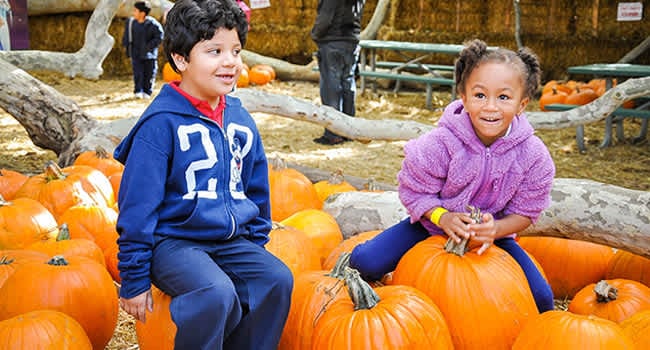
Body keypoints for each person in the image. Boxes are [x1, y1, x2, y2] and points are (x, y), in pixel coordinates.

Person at [113, 0, 293, 349]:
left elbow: (255, 188)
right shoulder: (160, 124)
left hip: (229, 241)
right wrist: (133, 278)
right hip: (172, 242)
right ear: (181, 60)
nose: (230, 61)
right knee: (215, 292)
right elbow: (137, 205)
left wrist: (254, 246)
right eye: (214, 51)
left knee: (276, 278)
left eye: (236, 50)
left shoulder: (240, 119)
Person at [349, 39, 556, 313]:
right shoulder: (440, 143)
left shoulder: (533, 156)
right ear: (464, 97)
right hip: (430, 226)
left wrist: (495, 229)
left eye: (504, 97)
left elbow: (526, 212)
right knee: (365, 263)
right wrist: (441, 217)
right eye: (480, 95)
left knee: (541, 299)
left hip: (494, 236)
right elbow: (415, 192)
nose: (490, 107)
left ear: (522, 104)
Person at [310, 0, 366, 145]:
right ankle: (348, 131)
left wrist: (315, 35)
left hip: (332, 41)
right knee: (348, 85)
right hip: (352, 40)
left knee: (331, 88)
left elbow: (325, 18)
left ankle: (333, 133)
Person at [122, 1, 164, 99]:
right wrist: (127, 48)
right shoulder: (131, 23)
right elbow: (126, 37)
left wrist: (148, 47)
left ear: (142, 13)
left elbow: (159, 37)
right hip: (136, 54)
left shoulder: (152, 24)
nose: (133, 13)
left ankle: (147, 91)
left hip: (149, 55)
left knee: (149, 73)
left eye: (135, 11)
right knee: (138, 73)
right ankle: (138, 91)